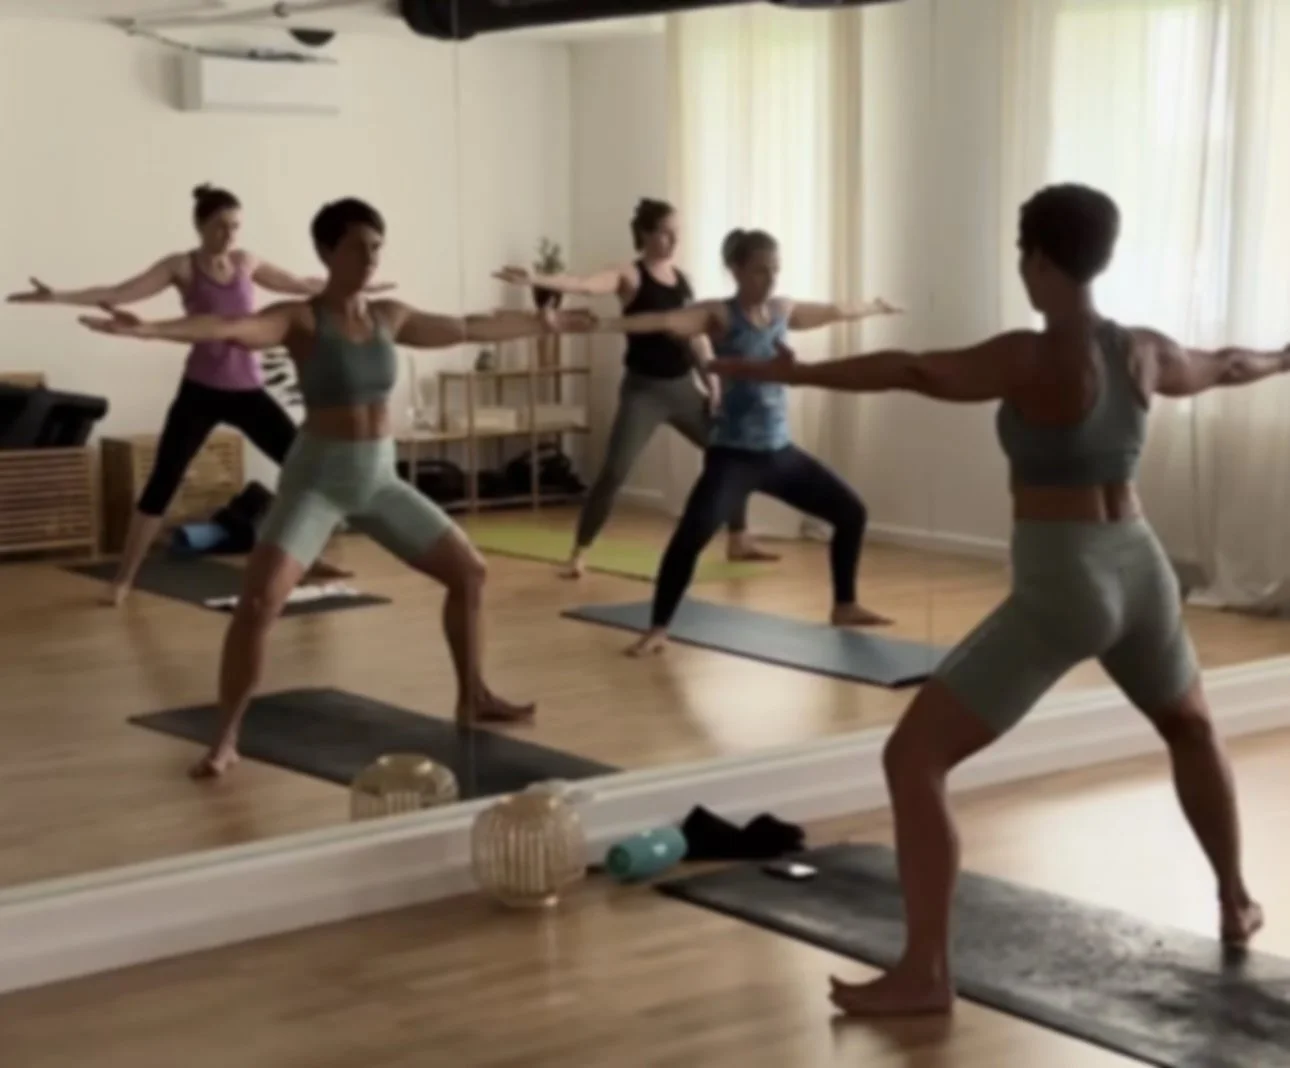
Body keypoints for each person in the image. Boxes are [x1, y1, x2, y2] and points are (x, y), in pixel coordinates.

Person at [710, 184, 1277, 1017]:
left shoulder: (1031, 356)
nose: (1021, 269)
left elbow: (910, 369)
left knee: (913, 760)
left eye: (1023, 255)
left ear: (1041, 258)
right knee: (1190, 727)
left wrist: (768, 366)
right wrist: (1289, 355)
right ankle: (1236, 899)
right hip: (1143, 569)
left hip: (1066, 582)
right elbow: (1230, 363)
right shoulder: (1144, 351)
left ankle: (927, 971)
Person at [77, 197, 594, 778]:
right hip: (317, 482)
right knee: (256, 604)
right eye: (358, 247)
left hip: (379, 480)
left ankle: (473, 694)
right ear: (326, 252)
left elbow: (467, 327)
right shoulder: (301, 318)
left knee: (469, 572)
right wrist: (150, 330)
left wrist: (542, 322)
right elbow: (231, 328)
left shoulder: (388, 316)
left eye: (377, 247)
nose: (371, 258)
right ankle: (225, 738)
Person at [6, 184, 393, 605]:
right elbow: (120, 292)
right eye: (220, 227)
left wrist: (359, 286)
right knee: (163, 481)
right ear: (200, 226)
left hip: (248, 391)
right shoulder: (182, 266)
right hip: (201, 392)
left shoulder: (247, 262)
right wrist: (57, 296)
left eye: (235, 227)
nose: (229, 236)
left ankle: (309, 558)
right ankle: (123, 579)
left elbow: (302, 284)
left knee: (303, 467)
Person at [593, 227, 900, 656]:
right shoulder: (720, 315)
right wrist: (602, 323)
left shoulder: (781, 309)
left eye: (774, 270)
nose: (769, 279)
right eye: (759, 271)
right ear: (736, 270)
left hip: (780, 454)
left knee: (851, 512)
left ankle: (844, 605)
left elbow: (834, 310)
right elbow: (663, 321)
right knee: (690, 537)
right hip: (733, 459)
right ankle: (659, 628)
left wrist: (874, 307)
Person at [494, 198, 776, 577]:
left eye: (677, 233)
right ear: (645, 234)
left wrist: (712, 384)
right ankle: (579, 552)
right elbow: (585, 285)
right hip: (644, 393)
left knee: (733, 453)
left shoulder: (683, 280)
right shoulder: (629, 274)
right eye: (665, 233)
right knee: (614, 472)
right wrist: (536, 278)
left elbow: (695, 339)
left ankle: (739, 538)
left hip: (682, 389)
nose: (673, 240)